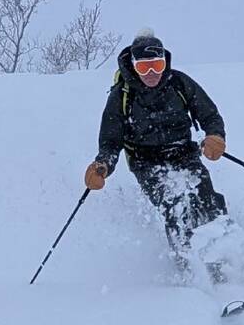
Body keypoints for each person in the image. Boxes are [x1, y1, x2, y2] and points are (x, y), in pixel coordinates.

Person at [84, 29, 230, 272]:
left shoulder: (179, 83)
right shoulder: (122, 95)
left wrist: (215, 136)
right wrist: (102, 166)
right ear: (133, 66)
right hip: (146, 162)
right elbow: (111, 140)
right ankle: (189, 268)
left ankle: (226, 258)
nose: (152, 73)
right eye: (144, 68)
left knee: (206, 197)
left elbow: (209, 114)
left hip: (183, 153)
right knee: (174, 204)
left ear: (165, 62)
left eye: (157, 65)